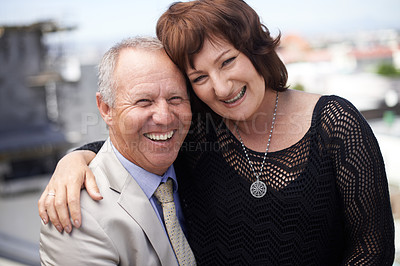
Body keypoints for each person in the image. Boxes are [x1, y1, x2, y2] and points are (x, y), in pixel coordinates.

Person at [38, 0, 395, 264]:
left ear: (254, 48)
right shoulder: (201, 131)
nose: (222, 87)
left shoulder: (335, 123)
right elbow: (135, 140)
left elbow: (372, 248)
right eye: (199, 78)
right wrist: (74, 159)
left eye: (227, 61)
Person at [39, 36, 196, 265]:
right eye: (144, 101)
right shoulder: (76, 213)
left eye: (175, 98)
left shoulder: (200, 166)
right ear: (105, 108)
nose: (164, 117)